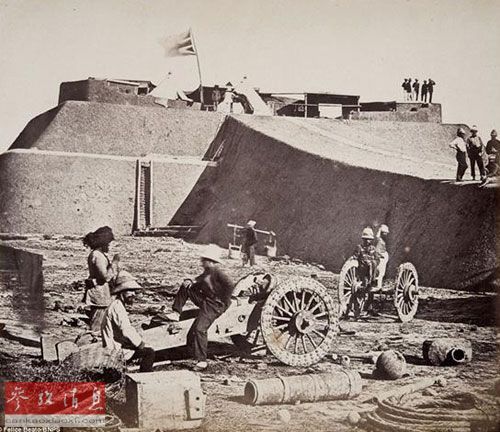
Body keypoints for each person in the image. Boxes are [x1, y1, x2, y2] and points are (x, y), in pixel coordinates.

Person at [165, 245, 235, 371]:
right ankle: (176, 312)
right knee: (185, 286)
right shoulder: (207, 273)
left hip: (214, 305)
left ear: (210, 261)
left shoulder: (217, 273)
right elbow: (197, 283)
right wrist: (189, 282)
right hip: (205, 301)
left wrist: (223, 302)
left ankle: (202, 361)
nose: (202, 263)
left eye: (204, 260)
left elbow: (230, 286)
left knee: (200, 329)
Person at [101, 270, 155, 372]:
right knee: (149, 352)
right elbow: (126, 331)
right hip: (115, 350)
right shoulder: (118, 307)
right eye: (130, 291)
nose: (133, 294)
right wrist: (141, 344)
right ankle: (145, 377)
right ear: (122, 292)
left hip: (114, 347)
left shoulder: (117, 305)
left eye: (134, 291)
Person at [83, 226, 118, 332]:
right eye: (108, 244)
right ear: (103, 243)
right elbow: (105, 276)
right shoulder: (97, 256)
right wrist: (114, 263)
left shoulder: (98, 255)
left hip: (101, 294)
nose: (109, 246)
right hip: (99, 295)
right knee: (97, 325)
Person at [375, 225, 390, 290]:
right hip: (381, 258)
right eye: (385, 233)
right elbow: (377, 250)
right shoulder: (380, 241)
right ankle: (378, 286)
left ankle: (378, 285)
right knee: (381, 273)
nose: (386, 234)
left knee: (381, 273)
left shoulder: (382, 241)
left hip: (383, 257)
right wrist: (381, 255)